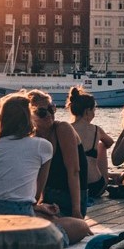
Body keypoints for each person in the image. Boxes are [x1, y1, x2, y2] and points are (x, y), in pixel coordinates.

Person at [0, 92, 54, 216]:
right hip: (21, 212)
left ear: (1, 119)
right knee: (79, 226)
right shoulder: (42, 146)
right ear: (29, 118)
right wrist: (38, 207)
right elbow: (35, 196)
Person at [31, 89, 87, 218]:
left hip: (69, 199)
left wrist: (76, 211)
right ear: (30, 115)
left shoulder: (62, 128)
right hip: (47, 200)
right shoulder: (32, 137)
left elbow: (74, 171)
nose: (49, 115)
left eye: (51, 109)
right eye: (42, 112)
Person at [67, 86, 114, 199]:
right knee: (102, 145)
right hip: (95, 186)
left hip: (72, 187)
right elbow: (110, 142)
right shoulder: (96, 130)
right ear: (88, 111)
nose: (94, 114)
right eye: (94, 110)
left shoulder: (66, 129)